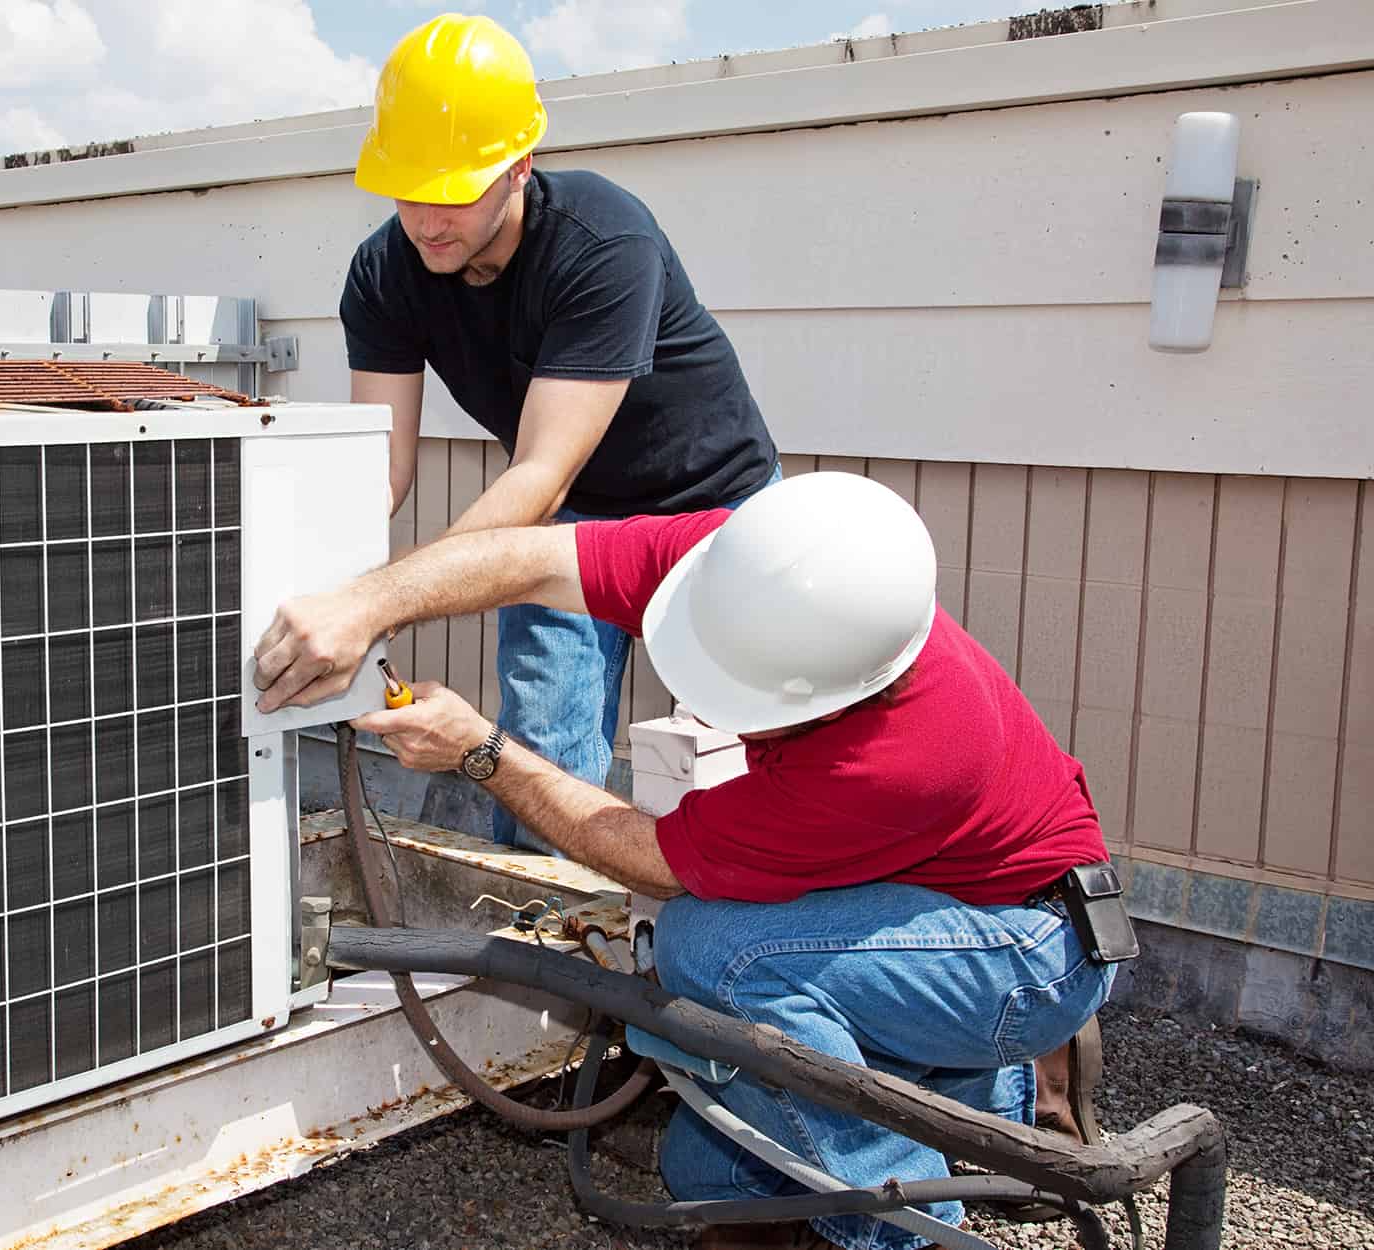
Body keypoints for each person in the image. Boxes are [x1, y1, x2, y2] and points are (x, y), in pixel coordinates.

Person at [252, 472, 1121, 1250]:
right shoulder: (747, 568)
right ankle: (1004, 1108)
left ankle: (905, 1224)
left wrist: (482, 750)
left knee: (712, 952)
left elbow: (654, 860)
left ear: (837, 698)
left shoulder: (896, 759)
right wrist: (368, 604)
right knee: (707, 1177)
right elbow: (523, 557)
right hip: (940, 896)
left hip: (1026, 950)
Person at [343, 13, 779, 848]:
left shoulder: (602, 240)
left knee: (757, 744)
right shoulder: (383, 273)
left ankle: (741, 940)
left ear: (519, 167)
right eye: (410, 190)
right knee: (539, 750)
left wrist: (380, 602)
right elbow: (383, 467)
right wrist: (331, 582)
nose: (430, 220)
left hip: (716, 510)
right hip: (572, 517)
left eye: (458, 191)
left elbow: (539, 469)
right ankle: (547, 954)